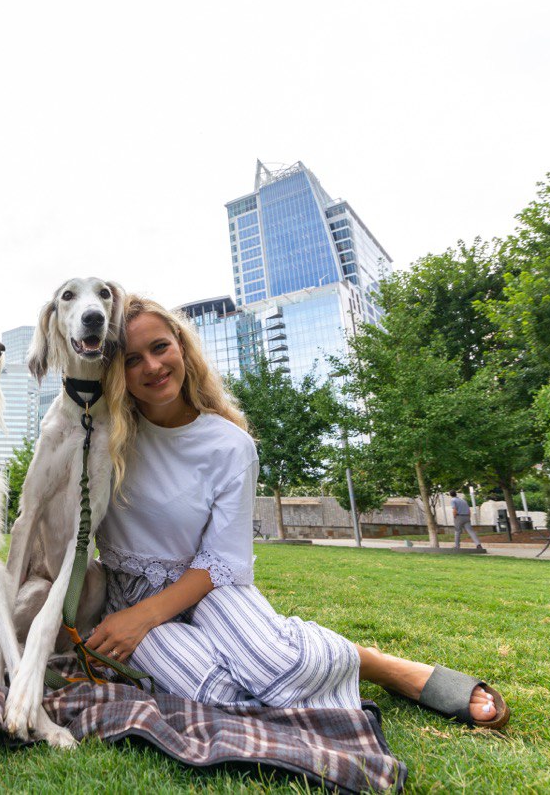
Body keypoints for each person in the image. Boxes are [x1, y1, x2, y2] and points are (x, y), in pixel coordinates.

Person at [85, 295, 508, 729]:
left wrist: (147, 617)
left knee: (275, 667)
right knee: (214, 694)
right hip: (129, 593)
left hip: (210, 588)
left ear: (181, 345)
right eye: (132, 359)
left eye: (160, 347)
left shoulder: (230, 444)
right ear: (117, 371)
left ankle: (380, 666)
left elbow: (222, 560)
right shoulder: (102, 437)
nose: (152, 367)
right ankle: (279, 652)